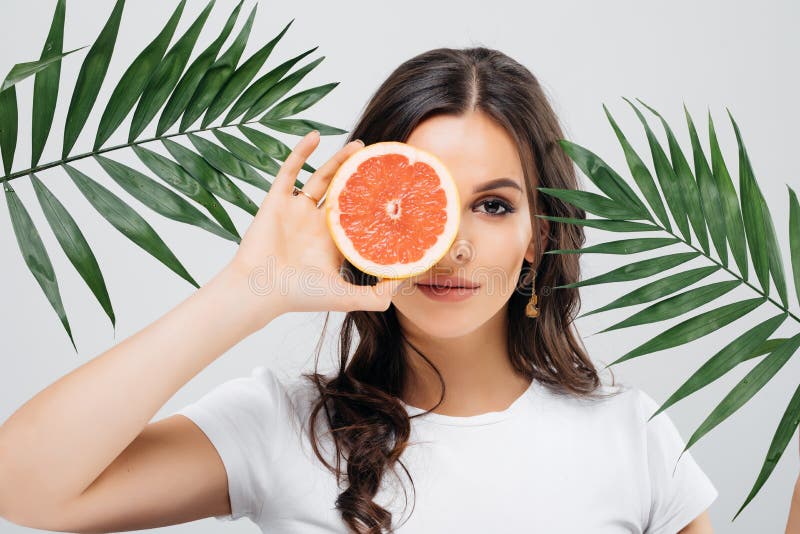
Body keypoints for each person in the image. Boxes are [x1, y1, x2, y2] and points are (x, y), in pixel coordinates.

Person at [0, 46, 794, 534]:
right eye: (423, 202)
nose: (451, 242)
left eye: (492, 205)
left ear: (538, 237)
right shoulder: (284, 426)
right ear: (359, 213)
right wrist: (249, 290)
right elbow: (26, 489)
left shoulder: (632, 434)